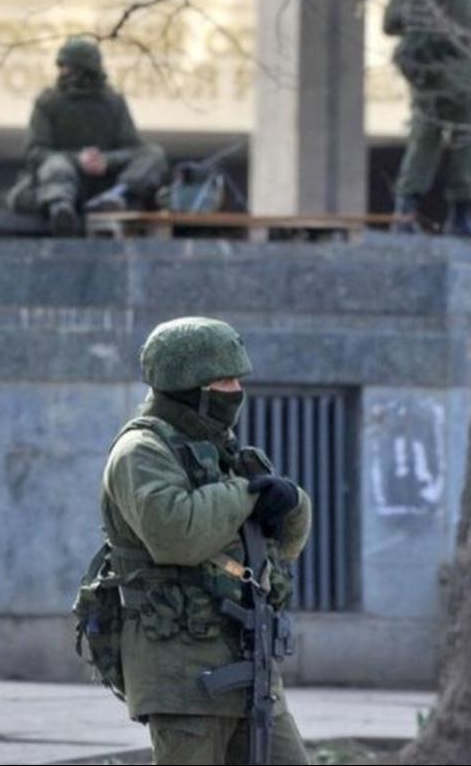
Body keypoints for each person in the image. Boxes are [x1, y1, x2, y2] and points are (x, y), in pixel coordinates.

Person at [99, 317, 313, 764]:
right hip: (182, 677)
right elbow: (176, 534)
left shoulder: (228, 453)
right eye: (223, 380)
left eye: (237, 379)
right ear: (187, 386)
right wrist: (246, 493)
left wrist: (292, 502)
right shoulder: (141, 451)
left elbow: (282, 549)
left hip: (250, 668)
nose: (235, 391)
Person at [383, 0, 471, 239]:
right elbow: (392, 24)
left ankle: (412, 213)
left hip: (440, 73)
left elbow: (391, 22)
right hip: (447, 71)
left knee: (429, 140)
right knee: (465, 141)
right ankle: (449, 215)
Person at [7, 36, 169, 236]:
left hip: (104, 184)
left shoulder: (113, 102)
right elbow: (34, 153)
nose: (63, 73)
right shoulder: (48, 101)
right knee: (56, 164)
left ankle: (117, 197)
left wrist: (106, 161)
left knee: (154, 154)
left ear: (86, 70)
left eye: (68, 67)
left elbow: (133, 149)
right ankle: (61, 211)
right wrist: (78, 160)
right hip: (58, 184)